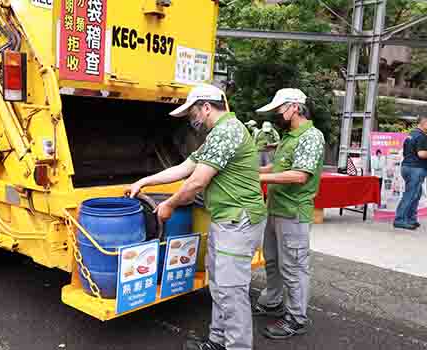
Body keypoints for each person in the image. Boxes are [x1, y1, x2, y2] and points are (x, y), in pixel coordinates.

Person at [126, 84, 266, 350]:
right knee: (219, 284)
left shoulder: (227, 132)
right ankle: (217, 341)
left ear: (205, 107)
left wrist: (168, 204)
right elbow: (184, 168)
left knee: (231, 290)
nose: (192, 120)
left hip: (238, 222)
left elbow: (196, 183)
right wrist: (144, 181)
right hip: (226, 219)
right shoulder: (217, 135)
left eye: (192, 113)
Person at [251, 88, 325, 339]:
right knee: (272, 259)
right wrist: (254, 171)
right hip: (276, 208)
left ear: (294, 107)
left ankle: (296, 318)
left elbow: (299, 175)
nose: (277, 114)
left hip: (293, 211)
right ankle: (272, 301)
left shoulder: (311, 137)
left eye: (280, 109)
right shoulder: (290, 136)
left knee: (294, 266)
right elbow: (279, 166)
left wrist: (261, 176)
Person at [393, 116, 427, 230]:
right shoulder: (421, 136)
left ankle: (411, 218)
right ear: (424, 123)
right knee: (411, 195)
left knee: (416, 194)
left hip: (408, 167)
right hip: (415, 169)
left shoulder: (411, 134)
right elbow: (421, 154)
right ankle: (400, 220)